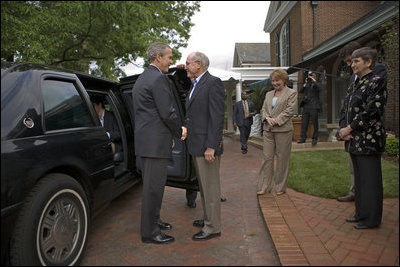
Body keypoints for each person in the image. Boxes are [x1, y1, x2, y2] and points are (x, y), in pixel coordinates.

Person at [132, 42, 187, 244]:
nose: (171, 61)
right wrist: (179, 129)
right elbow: (167, 112)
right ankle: (150, 232)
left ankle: (155, 220)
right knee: (153, 190)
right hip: (155, 145)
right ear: (158, 57)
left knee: (151, 188)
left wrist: (176, 69)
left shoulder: (144, 77)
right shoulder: (158, 79)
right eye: (169, 57)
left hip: (147, 144)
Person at [339, 47, 387, 229]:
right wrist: (344, 128)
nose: (352, 65)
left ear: (368, 62)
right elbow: (345, 107)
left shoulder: (377, 81)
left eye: (356, 61)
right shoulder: (354, 83)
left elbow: (372, 111)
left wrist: (350, 127)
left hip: (369, 140)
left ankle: (371, 219)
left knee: (370, 181)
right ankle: (360, 214)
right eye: (352, 61)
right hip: (353, 139)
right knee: (359, 180)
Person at [184, 51, 225, 241]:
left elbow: (216, 118)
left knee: (211, 188)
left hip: (206, 147)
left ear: (198, 64)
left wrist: (211, 146)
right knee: (204, 187)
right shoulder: (196, 83)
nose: (185, 66)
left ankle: (213, 227)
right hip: (196, 144)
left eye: (188, 63)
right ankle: (208, 218)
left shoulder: (213, 83)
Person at [257, 68, 297, 196]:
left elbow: (290, 110)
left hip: (283, 130)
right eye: (273, 81)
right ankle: (265, 186)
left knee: (282, 159)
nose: (275, 83)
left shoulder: (291, 93)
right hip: (268, 130)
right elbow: (263, 109)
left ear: (284, 80)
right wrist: (266, 118)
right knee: (267, 158)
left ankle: (280, 187)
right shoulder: (268, 94)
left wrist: (276, 120)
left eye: (277, 81)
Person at [297, 71, 321, 145]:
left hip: (314, 106)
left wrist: (314, 80)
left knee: (315, 123)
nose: (310, 77)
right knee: (304, 123)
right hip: (306, 106)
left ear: (315, 77)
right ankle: (303, 138)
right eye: (309, 76)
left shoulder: (316, 84)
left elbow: (320, 88)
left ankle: (315, 138)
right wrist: (305, 83)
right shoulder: (307, 84)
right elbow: (300, 91)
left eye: (312, 76)